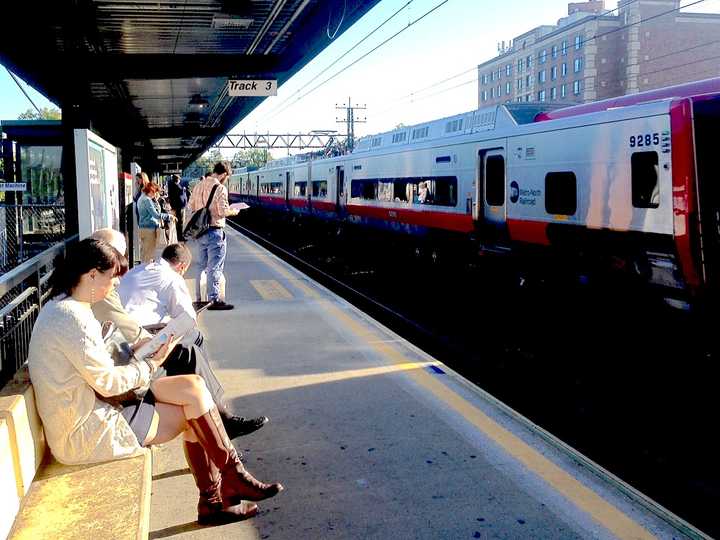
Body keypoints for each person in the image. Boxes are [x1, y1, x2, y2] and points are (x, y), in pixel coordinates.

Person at [28, 238, 283, 524]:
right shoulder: (72, 317)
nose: (114, 286)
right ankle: (217, 497)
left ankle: (230, 481)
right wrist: (151, 363)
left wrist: (144, 358)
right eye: (112, 278)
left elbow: (97, 373)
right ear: (91, 275)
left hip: (95, 406)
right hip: (86, 431)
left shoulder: (63, 307)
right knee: (194, 413)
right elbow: (108, 383)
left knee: (195, 388)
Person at [91, 229, 267, 439]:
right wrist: (155, 343)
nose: (120, 273)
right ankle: (220, 415)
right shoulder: (166, 278)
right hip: (124, 363)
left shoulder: (134, 272)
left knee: (189, 359)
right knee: (192, 345)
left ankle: (217, 414)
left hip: (124, 349)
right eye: (118, 260)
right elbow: (187, 318)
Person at [188, 162, 240, 310]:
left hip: (200, 232)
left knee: (201, 266)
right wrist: (233, 211)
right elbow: (223, 211)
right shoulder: (220, 188)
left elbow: (190, 206)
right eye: (227, 177)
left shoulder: (199, 185)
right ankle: (214, 299)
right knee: (215, 267)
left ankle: (199, 299)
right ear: (224, 174)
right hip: (214, 231)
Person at [137, 181, 175, 263]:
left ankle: (144, 269)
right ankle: (146, 272)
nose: (155, 195)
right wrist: (169, 216)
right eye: (155, 192)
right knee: (149, 254)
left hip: (142, 228)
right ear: (151, 191)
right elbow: (156, 215)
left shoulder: (141, 198)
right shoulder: (147, 200)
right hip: (149, 229)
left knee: (144, 252)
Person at [167, 174, 188, 242]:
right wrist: (184, 189)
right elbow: (180, 193)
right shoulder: (175, 186)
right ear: (177, 179)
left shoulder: (172, 185)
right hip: (179, 207)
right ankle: (180, 237)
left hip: (177, 206)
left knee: (179, 222)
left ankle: (180, 235)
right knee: (180, 222)